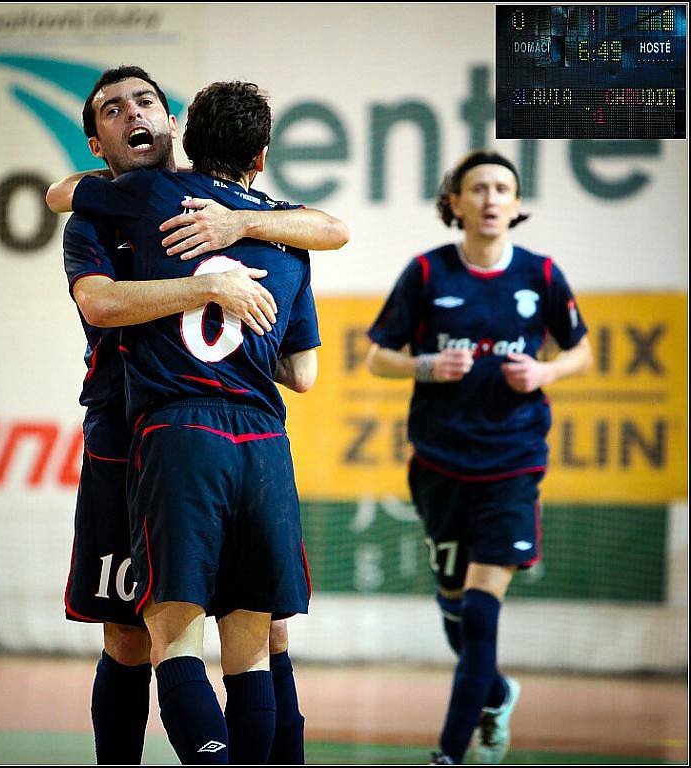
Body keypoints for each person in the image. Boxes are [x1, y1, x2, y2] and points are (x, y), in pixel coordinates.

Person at [52, 66, 348, 765]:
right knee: (129, 634)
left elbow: (330, 228)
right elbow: (98, 301)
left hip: (181, 436)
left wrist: (241, 221)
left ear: (174, 120)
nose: (134, 114)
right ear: (98, 141)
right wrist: (204, 288)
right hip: (125, 440)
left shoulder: (205, 205)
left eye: (146, 100)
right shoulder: (100, 215)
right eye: (114, 109)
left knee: (252, 634)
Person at [365, 150, 592, 765]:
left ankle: (449, 754)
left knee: (482, 616)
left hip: (512, 468)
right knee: (455, 619)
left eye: (503, 189)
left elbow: (582, 351)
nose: (492, 198)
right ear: (456, 203)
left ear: (516, 206)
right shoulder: (427, 273)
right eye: (478, 188)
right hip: (438, 468)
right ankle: (496, 693)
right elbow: (376, 355)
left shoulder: (541, 275)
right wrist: (426, 365)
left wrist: (545, 371)